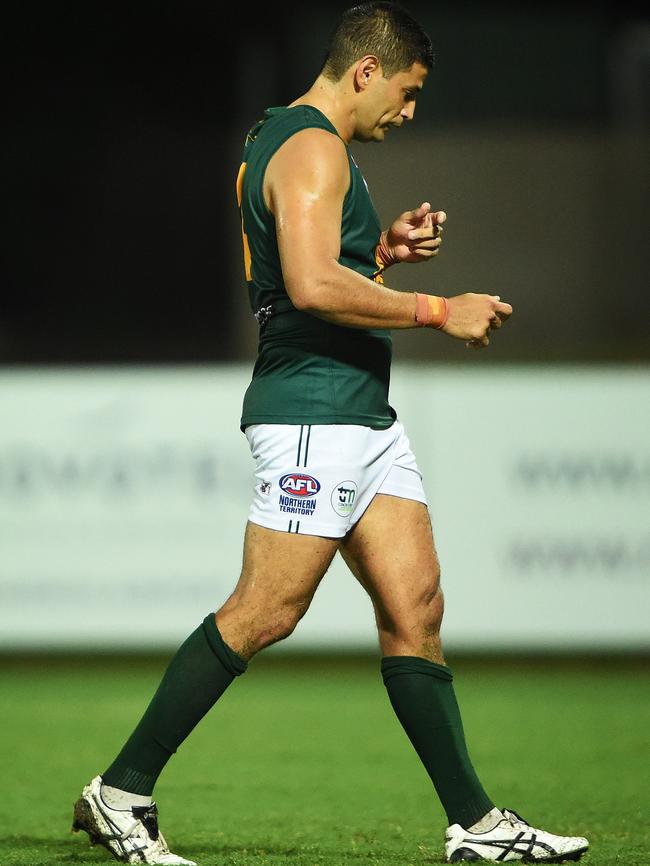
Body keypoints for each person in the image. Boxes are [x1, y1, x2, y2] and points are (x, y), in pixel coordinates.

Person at [72, 3, 589, 863]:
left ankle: (476, 824)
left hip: (359, 412)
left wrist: (378, 255)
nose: (410, 111)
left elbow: (311, 270)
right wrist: (437, 308)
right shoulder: (313, 147)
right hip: (315, 409)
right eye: (409, 91)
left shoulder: (284, 139)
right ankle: (122, 792)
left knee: (415, 608)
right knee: (267, 610)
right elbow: (309, 287)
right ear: (366, 71)